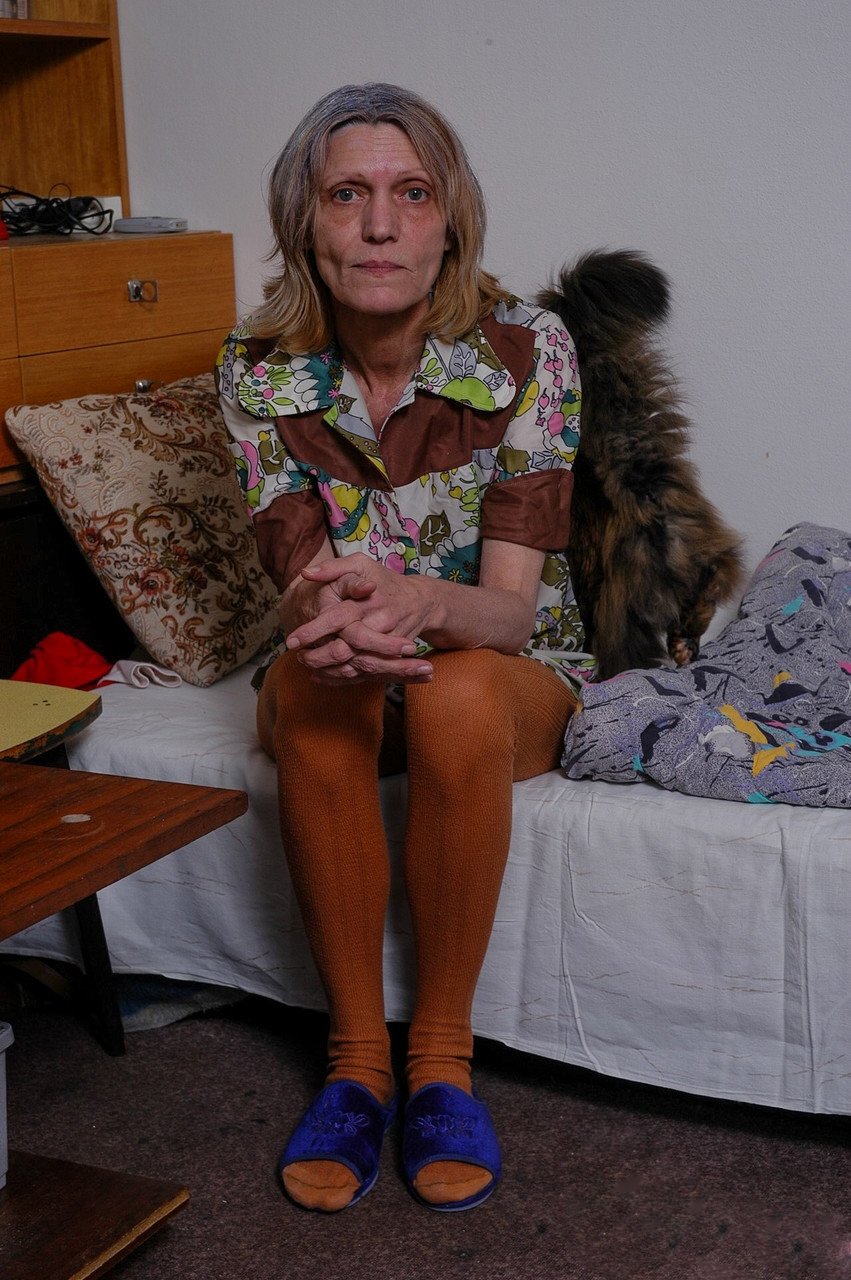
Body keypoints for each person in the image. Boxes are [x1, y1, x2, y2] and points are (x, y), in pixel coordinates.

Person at [216, 82, 588, 1213]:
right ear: (304, 220)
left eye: (410, 193)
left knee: (455, 694)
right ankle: (354, 1064)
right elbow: (297, 579)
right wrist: (327, 620)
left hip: (501, 666)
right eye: (347, 195)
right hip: (345, 658)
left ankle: (438, 1060)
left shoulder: (528, 349)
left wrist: (417, 597)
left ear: (449, 219)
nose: (379, 225)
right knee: (309, 686)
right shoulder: (255, 365)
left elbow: (509, 611)